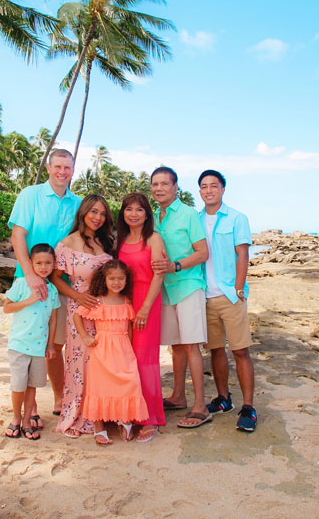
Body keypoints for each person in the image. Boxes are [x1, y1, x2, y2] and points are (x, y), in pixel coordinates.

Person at [8, 149, 81, 421]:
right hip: (30, 278)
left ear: (73, 171)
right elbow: (18, 237)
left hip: (61, 282)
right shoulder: (30, 194)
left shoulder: (78, 203)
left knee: (55, 343)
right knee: (29, 342)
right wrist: (30, 275)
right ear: (49, 167)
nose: (63, 172)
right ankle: (31, 407)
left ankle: (60, 397)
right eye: (58, 166)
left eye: (68, 168)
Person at [149, 166, 211, 429]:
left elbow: (202, 253)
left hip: (187, 286)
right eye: (155, 184)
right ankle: (177, 396)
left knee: (191, 345)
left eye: (165, 184)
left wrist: (175, 266)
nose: (159, 188)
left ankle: (200, 406)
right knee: (176, 345)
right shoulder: (152, 217)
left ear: (176, 188)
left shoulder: (188, 214)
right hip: (164, 290)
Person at [197, 170, 257, 432]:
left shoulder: (236, 218)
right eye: (204, 186)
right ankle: (224, 400)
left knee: (241, 350)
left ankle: (248, 407)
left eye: (213, 185)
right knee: (216, 350)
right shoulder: (196, 220)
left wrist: (238, 289)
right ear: (200, 191)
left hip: (230, 295)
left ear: (223, 189)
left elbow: (242, 254)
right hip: (204, 296)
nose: (209, 190)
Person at [51, 195, 114, 437]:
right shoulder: (68, 243)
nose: (98, 217)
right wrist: (77, 298)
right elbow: (55, 277)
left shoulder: (105, 242)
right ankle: (77, 414)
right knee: (80, 363)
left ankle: (102, 412)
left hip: (105, 312)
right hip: (80, 311)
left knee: (103, 362)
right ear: (84, 212)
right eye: (94, 212)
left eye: (102, 213)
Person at [74, 260, 148, 445]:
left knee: (129, 383)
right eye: (112, 278)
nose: (116, 282)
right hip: (102, 350)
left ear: (126, 280)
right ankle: (99, 427)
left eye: (121, 279)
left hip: (123, 349)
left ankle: (126, 421)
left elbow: (130, 328)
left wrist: (131, 349)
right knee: (99, 387)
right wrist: (85, 337)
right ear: (104, 279)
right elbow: (77, 316)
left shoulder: (126, 301)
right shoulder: (97, 301)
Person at [116, 192, 168, 443]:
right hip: (124, 304)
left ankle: (150, 418)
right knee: (126, 359)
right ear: (123, 213)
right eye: (128, 209)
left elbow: (159, 275)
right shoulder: (121, 240)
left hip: (148, 302)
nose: (133, 214)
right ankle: (130, 413)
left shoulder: (154, 239)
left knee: (146, 360)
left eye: (139, 210)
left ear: (147, 214)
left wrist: (145, 308)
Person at [2, 244, 61, 441]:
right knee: (18, 385)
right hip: (19, 344)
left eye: (48, 263)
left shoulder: (52, 290)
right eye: (39, 263)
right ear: (31, 264)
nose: (43, 267)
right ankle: (16, 419)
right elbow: (7, 308)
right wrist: (29, 300)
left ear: (54, 265)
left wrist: (50, 345)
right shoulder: (21, 283)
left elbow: (53, 319)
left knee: (32, 386)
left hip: (39, 346)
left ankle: (27, 421)